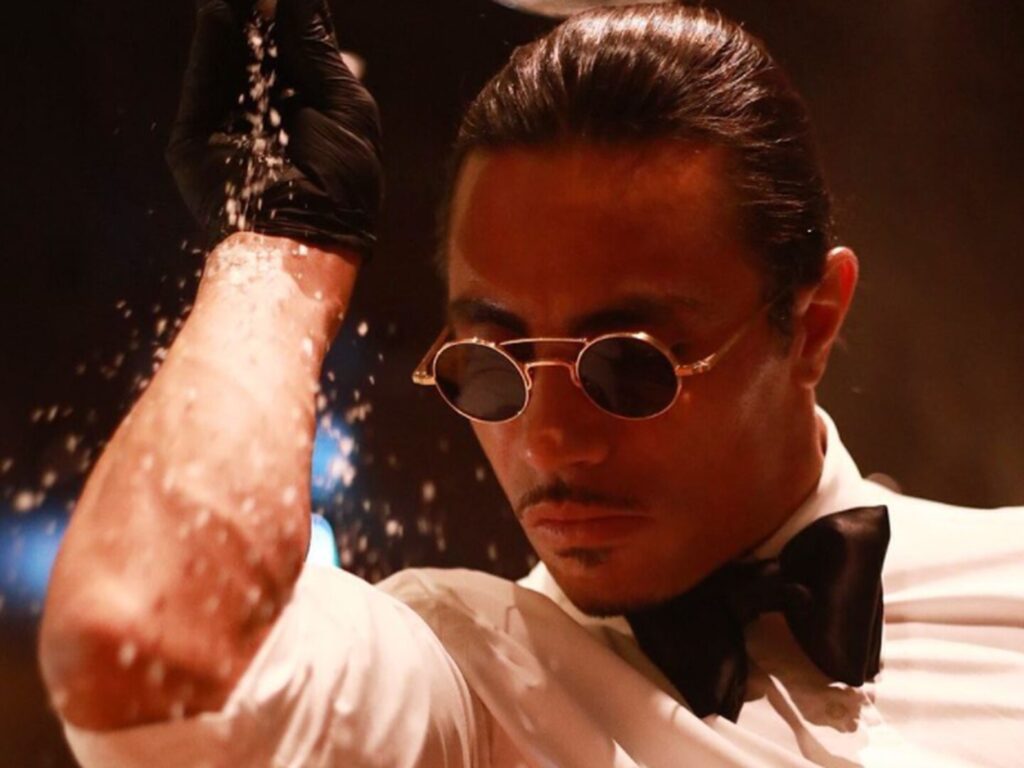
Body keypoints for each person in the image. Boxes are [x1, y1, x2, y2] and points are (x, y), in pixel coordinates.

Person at [39, 1, 1024, 766]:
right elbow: (138, 641)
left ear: (812, 324)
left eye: (628, 364)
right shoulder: (474, 684)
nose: (550, 441)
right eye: (491, 367)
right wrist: (283, 248)